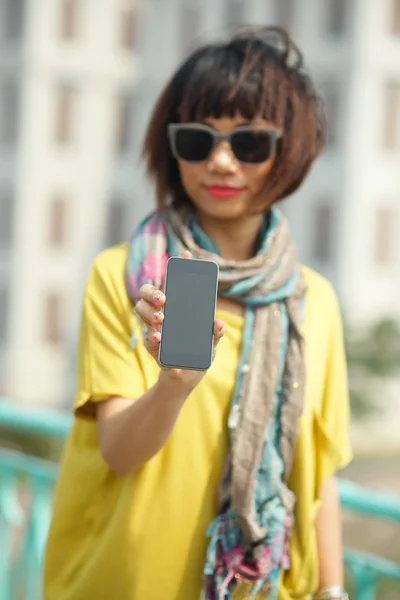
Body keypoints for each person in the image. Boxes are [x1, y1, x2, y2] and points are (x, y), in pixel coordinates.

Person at [44, 26, 352, 600]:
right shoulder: (125, 277)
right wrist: (173, 385)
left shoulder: (315, 302)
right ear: (171, 148)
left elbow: (318, 475)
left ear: (292, 152)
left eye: (250, 144)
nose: (220, 161)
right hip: (122, 584)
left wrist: (334, 591)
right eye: (197, 139)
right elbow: (119, 452)